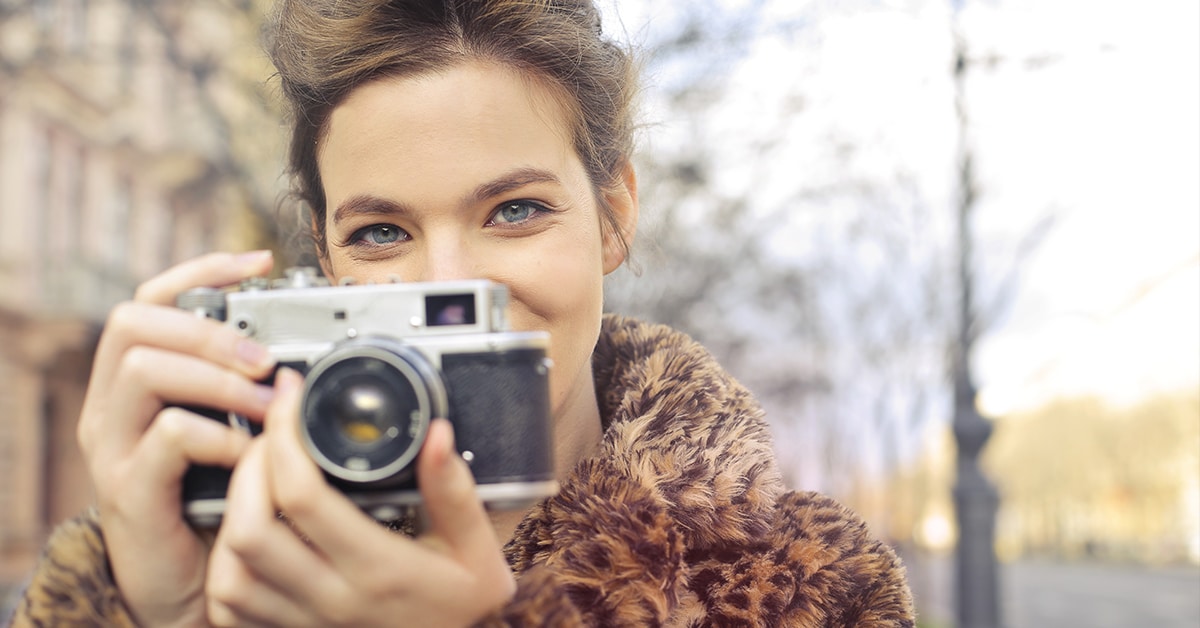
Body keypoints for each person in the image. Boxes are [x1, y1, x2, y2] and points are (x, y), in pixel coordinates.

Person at [13, 0, 915, 625]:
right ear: (324, 260)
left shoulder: (809, 591)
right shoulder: (240, 565)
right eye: (379, 233)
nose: (451, 285)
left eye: (515, 211)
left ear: (614, 217)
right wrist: (156, 613)